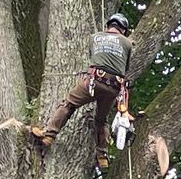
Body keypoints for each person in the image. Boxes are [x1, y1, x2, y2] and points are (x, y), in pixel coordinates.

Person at [33, 11, 132, 163]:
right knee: (101, 119)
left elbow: (94, 57)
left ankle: (49, 135)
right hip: (114, 88)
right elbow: (125, 67)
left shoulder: (94, 38)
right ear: (123, 30)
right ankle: (102, 154)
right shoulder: (127, 43)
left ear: (108, 26)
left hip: (94, 81)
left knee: (69, 104)